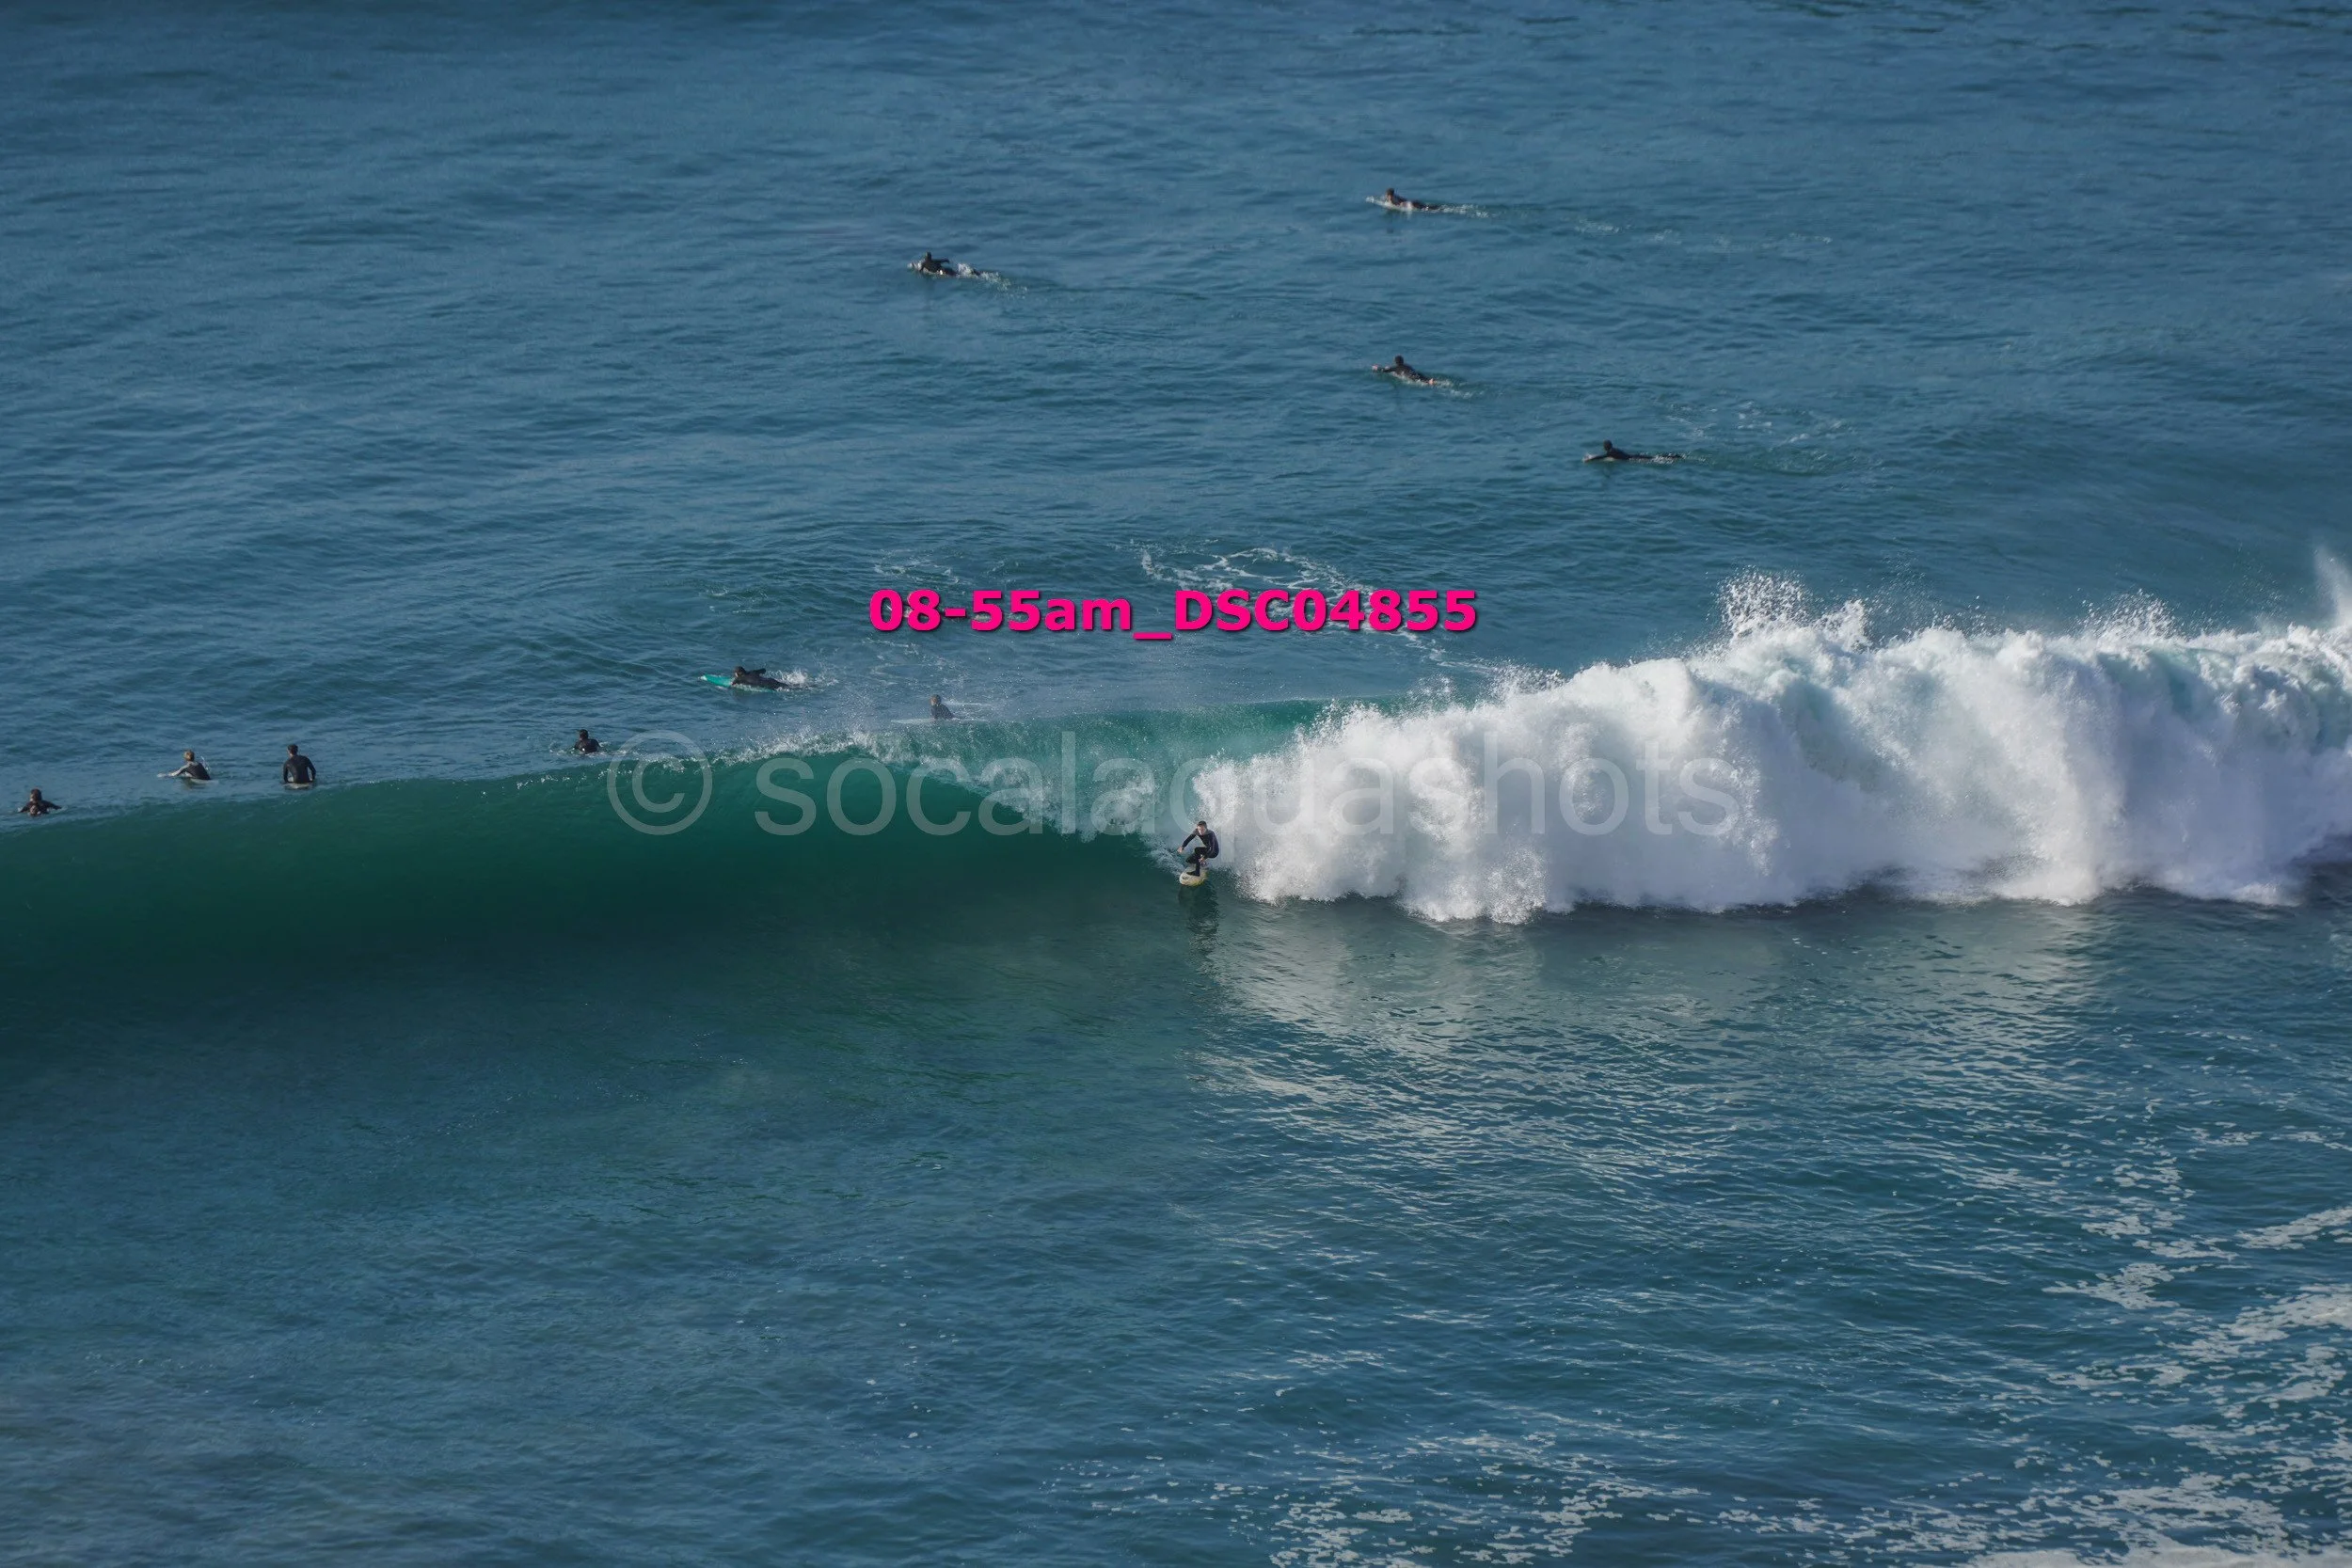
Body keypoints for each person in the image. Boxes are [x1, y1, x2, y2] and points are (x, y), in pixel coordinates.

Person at [1584, 439, 1680, 463]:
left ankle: (1673, 457)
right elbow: (1603, 456)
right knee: (1654, 457)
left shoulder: (1611, 452)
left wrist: (1590, 459)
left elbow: (1602, 457)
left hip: (1633, 459)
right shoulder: (1613, 450)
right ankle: (1673, 456)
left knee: (1654, 459)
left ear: (1605, 447)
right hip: (1633, 456)